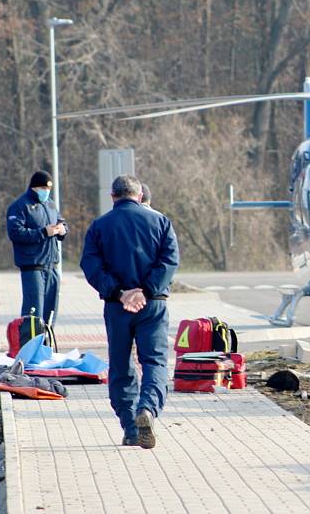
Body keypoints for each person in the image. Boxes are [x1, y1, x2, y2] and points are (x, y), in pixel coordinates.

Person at [80, 175, 179, 449]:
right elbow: (170, 260)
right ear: (139, 195)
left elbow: (90, 265)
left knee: (121, 365)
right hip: (154, 305)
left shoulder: (99, 226)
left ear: (112, 197)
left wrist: (120, 292)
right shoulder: (160, 222)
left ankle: (130, 427)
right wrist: (145, 291)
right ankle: (147, 408)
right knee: (155, 362)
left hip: (117, 307)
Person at [6, 171, 67, 325]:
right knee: (34, 311)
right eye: (43, 189)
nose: (46, 192)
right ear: (34, 188)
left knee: (50, 310)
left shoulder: (50, 204)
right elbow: (15, 232)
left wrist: (62, 229)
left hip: (51, 264)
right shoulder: (20, 206)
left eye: (48, 190)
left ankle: (47, 344)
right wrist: (43, 232)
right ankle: (30, 345)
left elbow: (61, 220)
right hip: (33, 265)